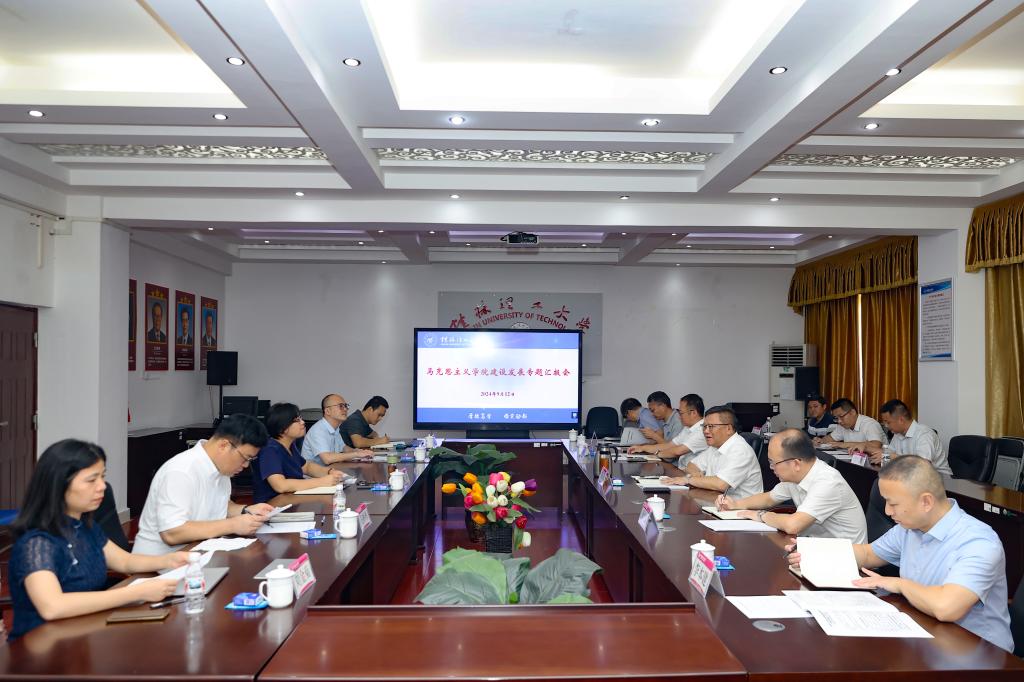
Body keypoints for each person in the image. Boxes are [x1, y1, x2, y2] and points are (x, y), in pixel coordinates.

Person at [786, 455, 1013, 652]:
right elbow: (867, 554)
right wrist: (812, 550)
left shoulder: (978, 542)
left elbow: (946, 607)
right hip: (923, 633)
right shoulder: (910, 529)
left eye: (892, 504)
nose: (887, 511)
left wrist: (899, 584)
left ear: (926, 502)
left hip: (978, 656)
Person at [7, 440, 187, 641]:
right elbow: (52, 606)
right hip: (40, 647)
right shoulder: (36, 543)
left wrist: (169, 560)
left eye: (102, 477)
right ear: (59, 484)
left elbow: (125, 561)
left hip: (82, 636)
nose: (102, 487)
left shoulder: (84, 526)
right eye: (91, 480)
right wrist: (136, 593)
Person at [132, 414, 274, 555]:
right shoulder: (181, 471)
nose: (246, 465)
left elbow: (220, 506)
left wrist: (246, 510)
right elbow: (172, 533)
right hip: (160, 563)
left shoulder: (221, 468)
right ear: (224, 445)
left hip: (200, 552)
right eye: (245, 458)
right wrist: (233, 525)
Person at [717, 429, 867, 542]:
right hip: (814, 547)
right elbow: (769, 498)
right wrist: (736, 504)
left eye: (773, 463)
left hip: (846, 559)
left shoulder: (828, 482)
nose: (771, 468)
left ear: (796, 463)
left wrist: (760, 515)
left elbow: (793, 525)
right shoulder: (797, 475)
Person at [663, 405, 763, 499]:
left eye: (711, 426)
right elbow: (691, 465)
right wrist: (697, 476)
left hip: (741, 508)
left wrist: (689, 480)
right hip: (716, 501)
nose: (706, 431)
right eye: (704, 426)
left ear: (728, 428)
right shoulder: (715, 446)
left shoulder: (740, 450)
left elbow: (721, 484)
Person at [253, 402, 345, 503]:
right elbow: (280, 485)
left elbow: (306, 467)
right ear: (282, 427)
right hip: (273, 505)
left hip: (292, 500)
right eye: (297, 420)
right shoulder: (269, 450)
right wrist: (321, 481)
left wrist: (329, 472)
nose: (303, 422)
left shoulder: (290, 445)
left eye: (301, 418)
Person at [867, 399, 952, 475]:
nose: (886, 426)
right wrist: (877, 456)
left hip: (939, 479)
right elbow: (889, 454)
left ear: (901, 420)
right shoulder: (897, 434)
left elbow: (923, 465)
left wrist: (893, 457)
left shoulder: (924, 434)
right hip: (909, 476)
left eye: (888, 422)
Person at [629, 394, 708, 468]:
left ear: (693, 413)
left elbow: (677, 451)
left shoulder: (702, 431)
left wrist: (656, 454)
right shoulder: (687, 428)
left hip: (692, 473)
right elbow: (669, 445)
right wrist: (642, 448)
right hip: (682, 469)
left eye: (681, 413)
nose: (679, 417)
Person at [301, 394, 373, 466]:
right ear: (327, 411)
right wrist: (356, 454)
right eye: (341, 406)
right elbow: (327, 459)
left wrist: (357, 451)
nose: (345, 409)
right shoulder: (318, 430)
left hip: (331, 469)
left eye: (346, 406)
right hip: (314, 472)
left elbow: (343, 448)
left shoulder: (335, 428)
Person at [815, 398, 887, 451]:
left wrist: (843, 444)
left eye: (841, 416)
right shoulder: (842, 425)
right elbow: (829, 439)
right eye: (836, 418)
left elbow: (875, 445)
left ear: (852, 412)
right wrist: (820, 441)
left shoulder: (870, 424)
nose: (839, 421)